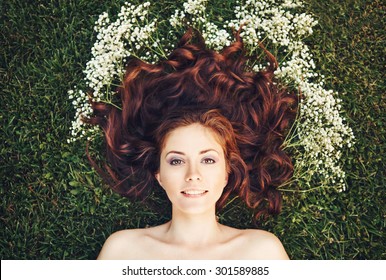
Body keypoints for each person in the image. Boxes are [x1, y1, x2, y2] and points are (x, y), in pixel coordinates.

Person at [87, 28, 296, 259]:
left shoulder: (262, 251)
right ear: (159, 175)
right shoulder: (123, 250)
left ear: (227, 173)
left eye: (208, 159)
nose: (192, 175)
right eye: (176, 160)